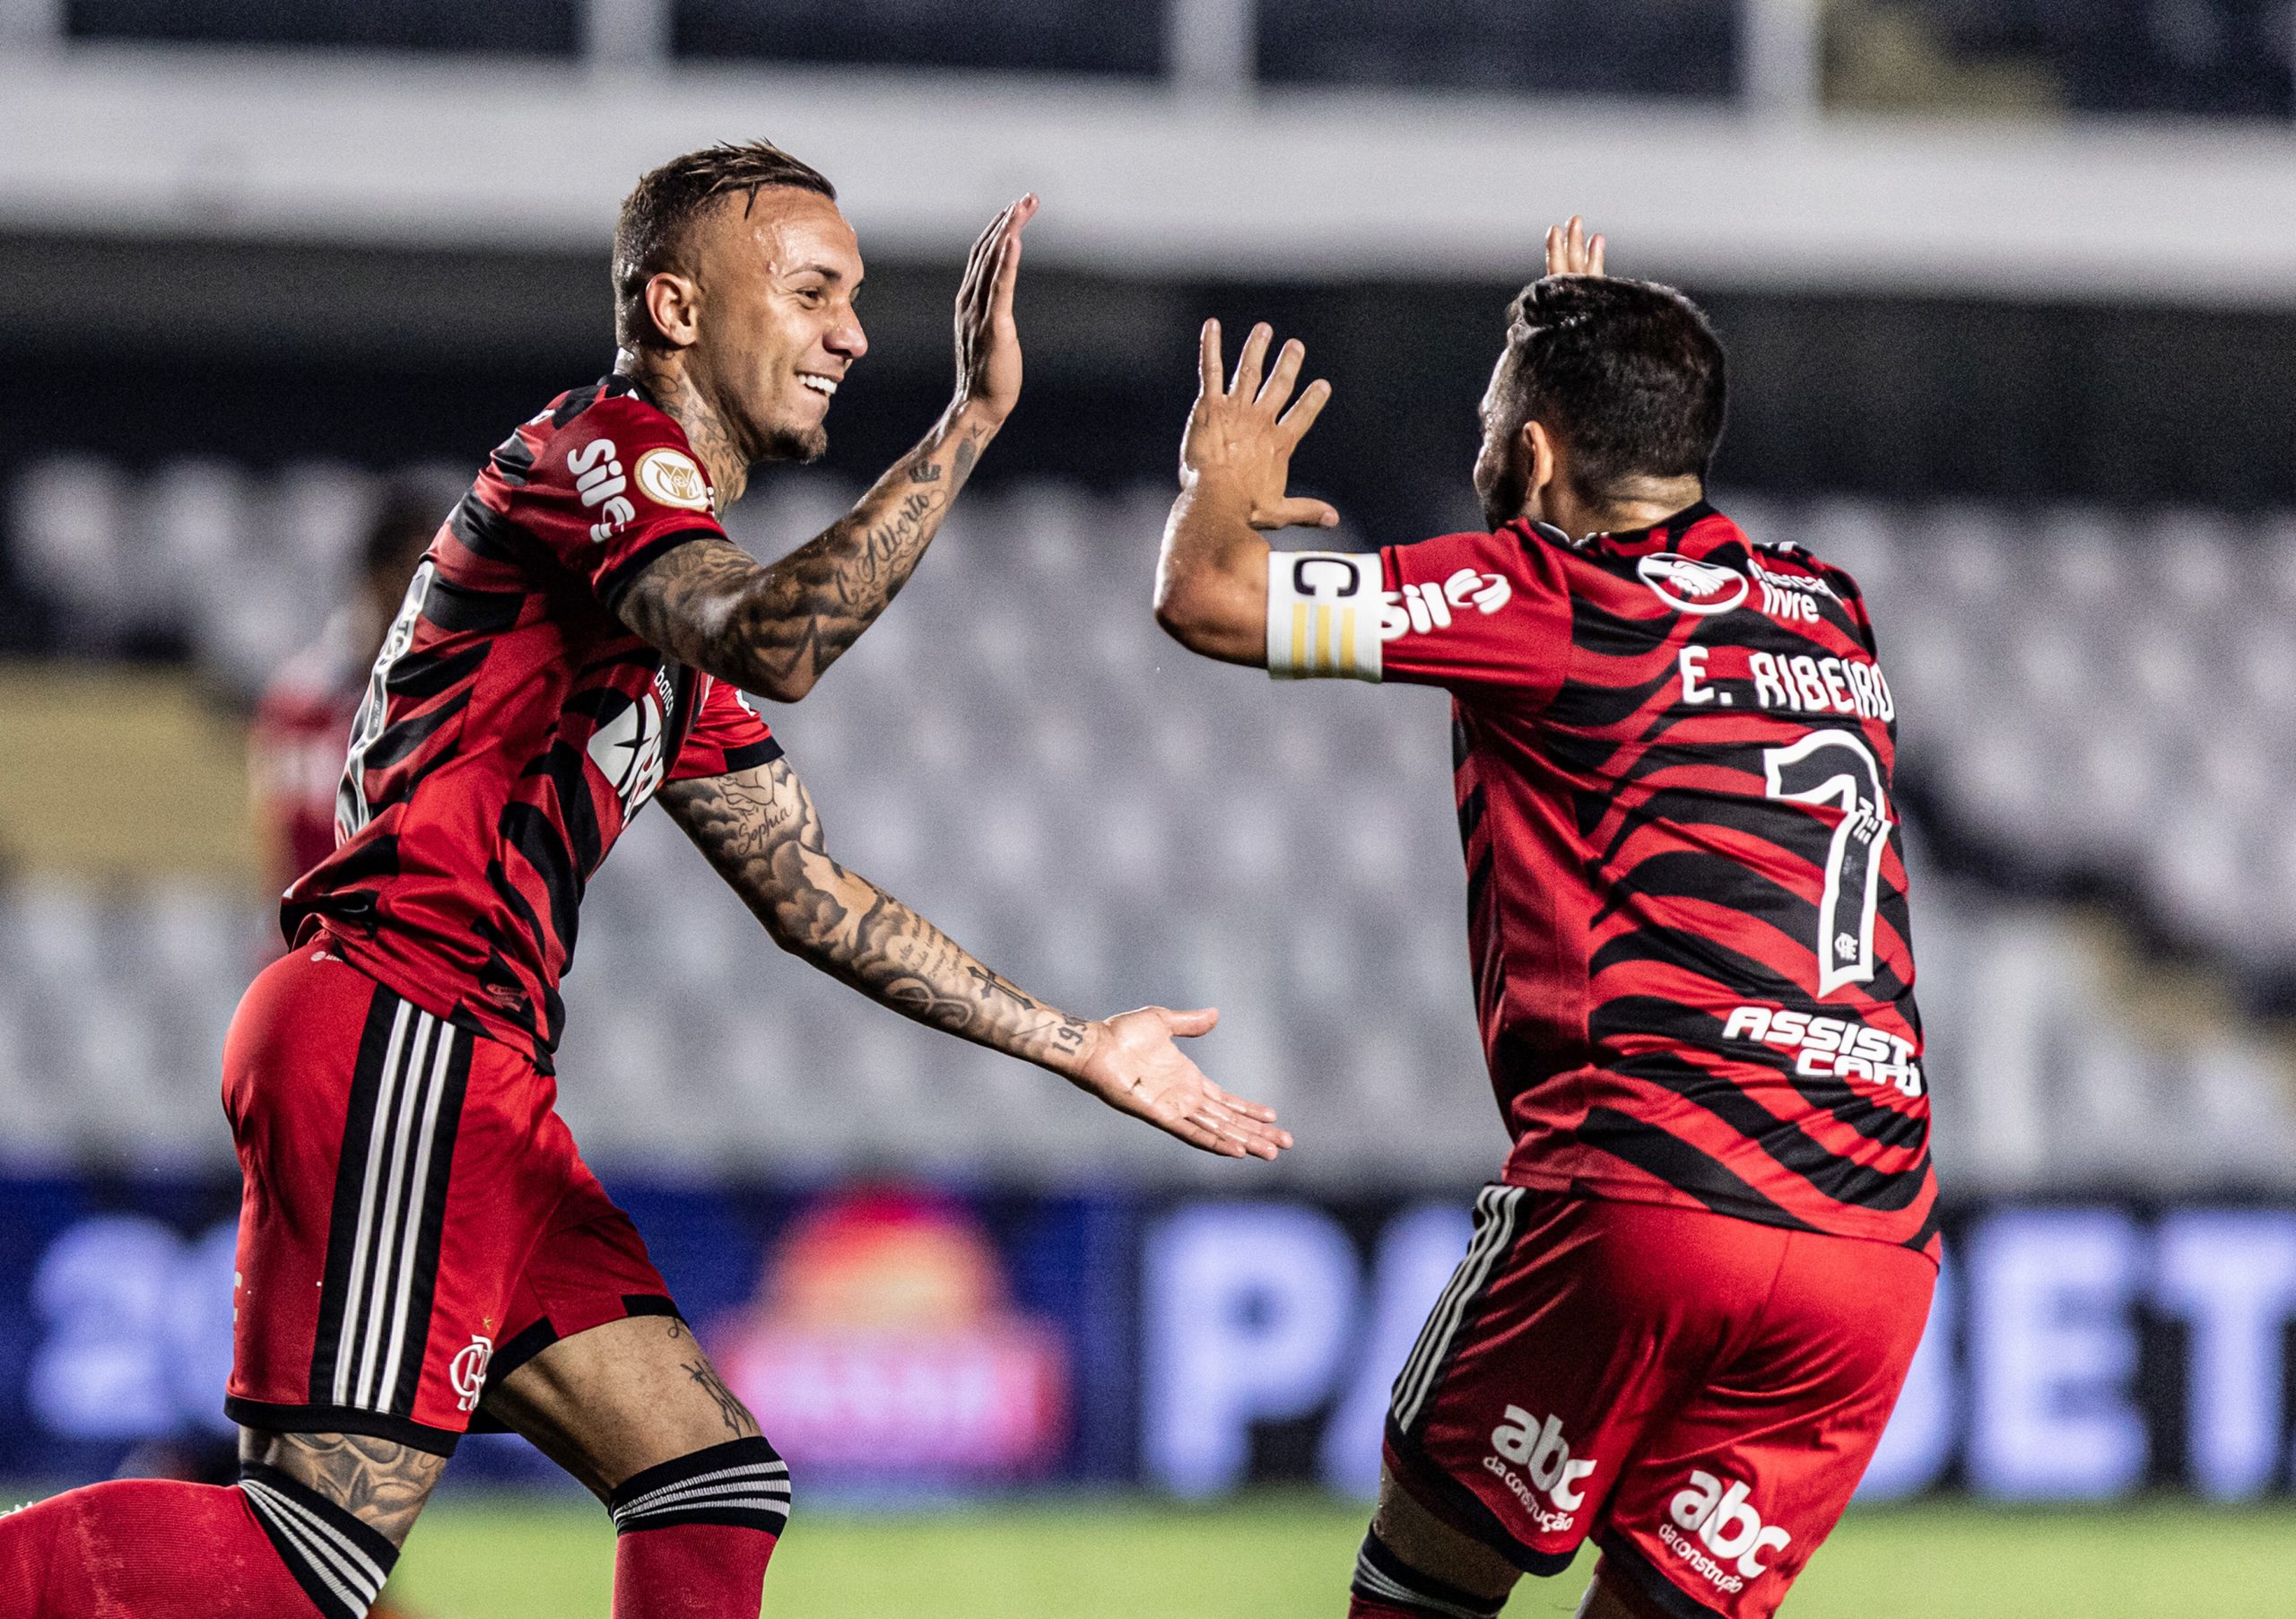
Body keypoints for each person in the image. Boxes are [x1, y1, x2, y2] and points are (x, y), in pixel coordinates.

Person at [0, 140, 1288, 1619]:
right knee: (313, 1549)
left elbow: (805, 889)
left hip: (479, 1071)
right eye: (811, 291)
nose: (853, 332)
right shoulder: (599, 459)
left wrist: (1077, 1042)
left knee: (708, 1477)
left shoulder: (655, 608)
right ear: (677, 308)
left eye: (856, 298)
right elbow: (776, 641)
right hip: (400, 1025)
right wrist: (970, 425)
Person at [1152, 219, 1935, 1619]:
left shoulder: (1548, 594)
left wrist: (1223, 481)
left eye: (1492, 422)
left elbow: (1208, 596)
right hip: (1869, 1246)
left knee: (1424, 1588)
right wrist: (1590, 344)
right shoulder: (1831, 611)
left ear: (1527, 457)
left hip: (1643, 1198)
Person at [250, 490, 441, 902]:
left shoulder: (460, 693)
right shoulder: (304, 702)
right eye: (428, 576)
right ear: (381, 576)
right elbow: (300, 849)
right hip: (326, 939)